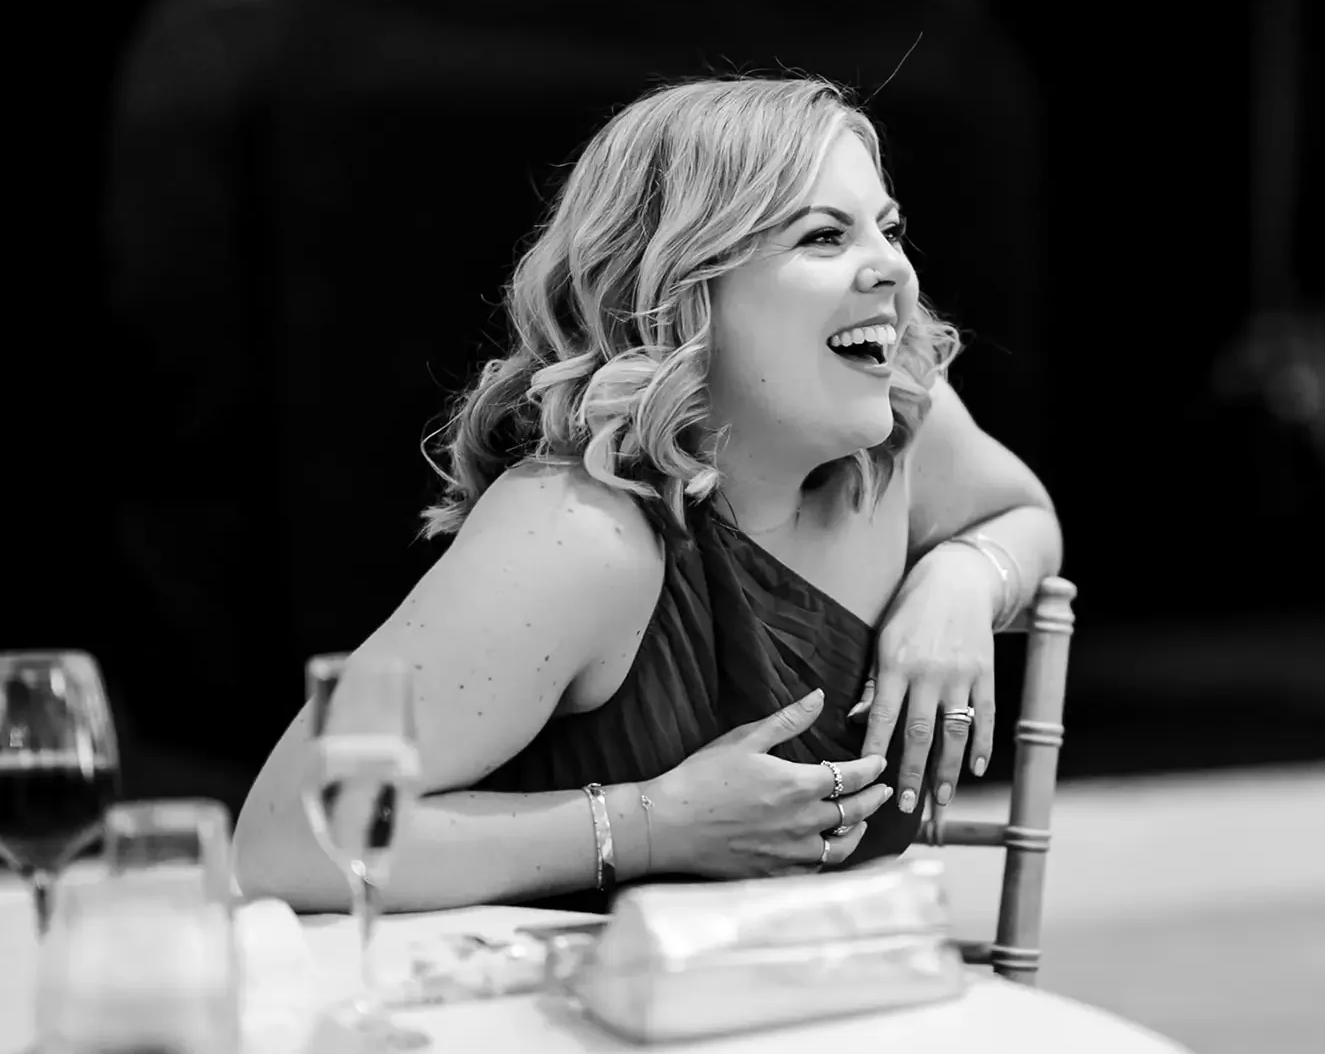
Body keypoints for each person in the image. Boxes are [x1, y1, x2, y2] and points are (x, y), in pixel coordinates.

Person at [234, 75, 1061, 914]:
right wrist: (649, 825)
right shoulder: (580, 532)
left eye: (888, 229)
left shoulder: (903, 423)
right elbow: (288, 840)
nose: (893, 268)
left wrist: (965, 578)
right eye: (823, 236)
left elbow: (1022, 516)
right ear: (683, 290)